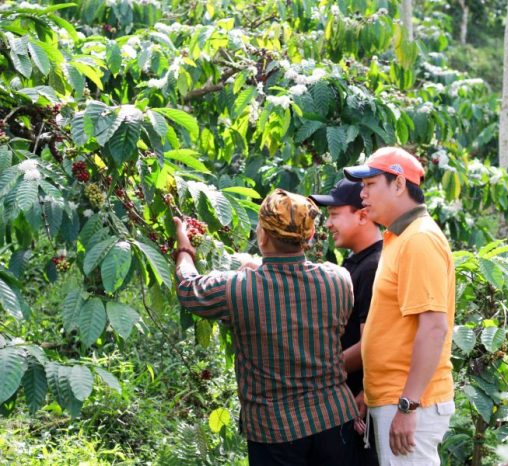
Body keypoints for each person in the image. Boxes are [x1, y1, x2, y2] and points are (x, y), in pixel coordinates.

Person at [173, 188, 359, 466]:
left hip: (275, 430)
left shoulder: (237, 288)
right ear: (308, 237)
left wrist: (184, 246)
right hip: (334, 420)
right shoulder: (339, 280)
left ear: (262, 235)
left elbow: (188, 287)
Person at [343, 147, 455, 466]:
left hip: (409, 404)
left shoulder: (420, 240)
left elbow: (434, 327)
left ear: (398, 184)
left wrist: (408, 405)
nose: (362, 194)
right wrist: (371, 391)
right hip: (393, 399)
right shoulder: (399, 238)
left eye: (370, 184)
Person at [309, 179, 383, 466]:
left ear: (362, 215)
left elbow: (371, 345)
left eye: (334, 215)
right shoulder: (354, 264)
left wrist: (316, 375)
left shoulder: (374, 266)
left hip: (361, 410)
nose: (328, 224)